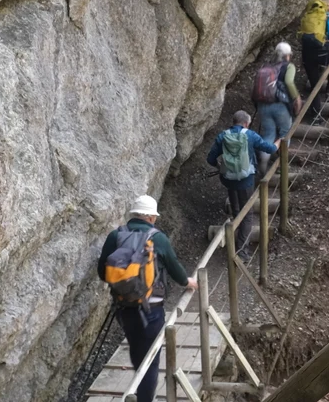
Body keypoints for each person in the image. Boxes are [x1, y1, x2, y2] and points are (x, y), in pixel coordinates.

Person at [98, 195, 197, 402]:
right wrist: (187, 282)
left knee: (136, 351)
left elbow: (102, 272)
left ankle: (139, 389)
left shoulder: (115, 236)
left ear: (133, 214)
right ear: (151, 217)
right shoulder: (157, 238)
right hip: (152, 309)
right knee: (150, 360)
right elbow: (174, 267)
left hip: (124, 306)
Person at [207, 110, 278, 255]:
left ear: (234, 121)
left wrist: (220, 166)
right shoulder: (250, 135)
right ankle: (241, 250)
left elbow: (210, 159)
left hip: (229, 179)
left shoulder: (223, 136)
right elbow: (270, 148)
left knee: (236, 210)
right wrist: (280, 141)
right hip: (246, 180)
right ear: (246, 123)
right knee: (247, 214)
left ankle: (236, 234)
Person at [252, 42, 301, 174]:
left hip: (263, 105)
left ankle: (263, 164)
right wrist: (296, 98)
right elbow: (289, 82)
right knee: (285, 134)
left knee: (269, 134)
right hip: (280, 105)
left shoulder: (267, 66)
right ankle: (282, 165)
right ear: (287, 55)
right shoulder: (288, 66)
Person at [298, 0, 329, 122]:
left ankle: (315, 116)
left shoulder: (307, 16)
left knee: (314, 84)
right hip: (323, 51)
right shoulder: (328, 18)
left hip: (307, 53)